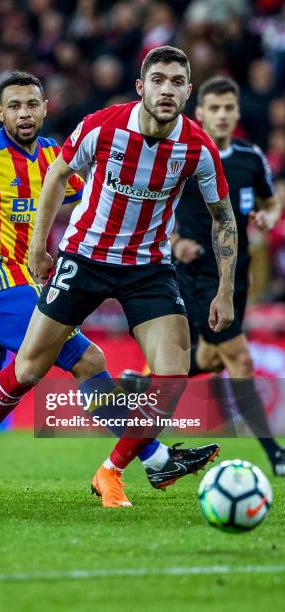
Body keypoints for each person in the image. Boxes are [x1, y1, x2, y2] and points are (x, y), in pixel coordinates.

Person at [0, 70, 216, 489]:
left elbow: (105, 196)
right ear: (0, 112)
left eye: (32, 105)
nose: (24, 113)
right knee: (88, 360)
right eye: (15, 106)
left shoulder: (53, 157)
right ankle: (155, 457)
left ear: (45, 109)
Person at [126, 75, 285, 477]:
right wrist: (176, 240)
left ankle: (140, 388)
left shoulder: (250, 157)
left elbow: (270, 199)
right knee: (238, 357)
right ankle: (276, 456)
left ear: (236, 112)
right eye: (214, 108)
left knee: (210, 357)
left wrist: (270, 214)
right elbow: (154, 204)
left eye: (229, 107)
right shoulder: (185, 154)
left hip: (235, 276)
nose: (223, 115)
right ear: (200, 113)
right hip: (192, 275)